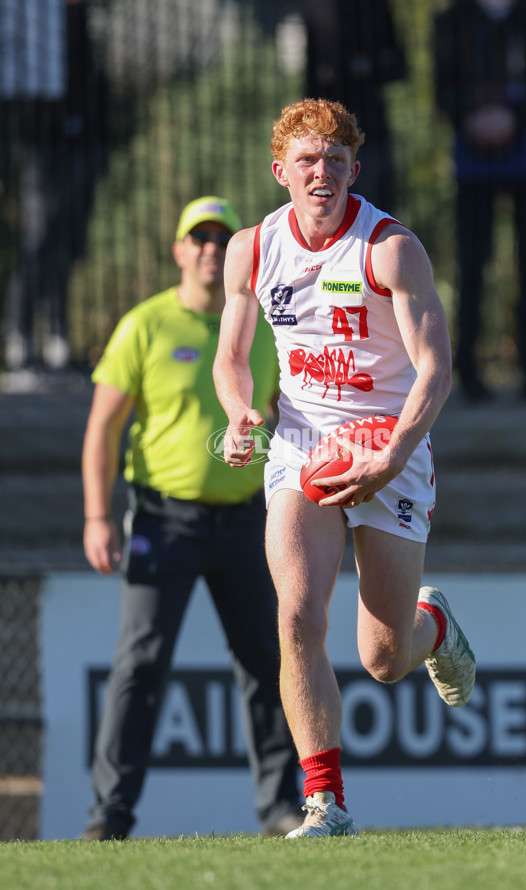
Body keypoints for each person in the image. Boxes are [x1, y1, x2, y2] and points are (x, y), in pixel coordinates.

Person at [212, 99, 476, 838]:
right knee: (296, 616)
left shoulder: (391, 248)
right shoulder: (253, 248)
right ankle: (324, 803)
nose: (321, 173)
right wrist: (240, 413)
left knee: (384, 658)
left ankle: (432, 622)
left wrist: (393, 455)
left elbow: (436, 368)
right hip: (302, 447)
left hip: (390, 447)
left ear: (354, 169)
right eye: (306, 160)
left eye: (335, 160)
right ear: (280, 172)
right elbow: (231, 359)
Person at [80, 196, 302, 840]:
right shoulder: (145, 325)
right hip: (162, 520)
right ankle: (110, 815)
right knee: (140, 664)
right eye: (197, 237)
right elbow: (104, 429)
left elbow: (287, 412)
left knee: (270, 658)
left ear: (236, 250)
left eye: (220, 237)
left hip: (245, 518)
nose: (210, 248)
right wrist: (98, 516)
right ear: (179, 250)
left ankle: (282, 808)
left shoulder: (264, 326)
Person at [433, 0, 526, 403]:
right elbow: (444, 91)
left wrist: (513, 118)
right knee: (472, 262)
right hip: (474, 161)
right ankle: (467, 371)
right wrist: (473, 119)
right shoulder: (452, 20)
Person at [1, 0, 111, 374]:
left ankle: (56, 332)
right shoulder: (30, 15)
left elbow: (90, 77)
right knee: (40, 234)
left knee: (66, 237)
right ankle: (20, 332)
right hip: (38, 141)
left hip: (78, 142)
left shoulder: (77, 20)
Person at [302, 0, 406, 213]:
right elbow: (312, 74)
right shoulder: (316, 7)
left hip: (370, 129)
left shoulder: (375, 7)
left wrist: (366, 68)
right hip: (329, 133)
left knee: (374, 211)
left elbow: (397, 64)